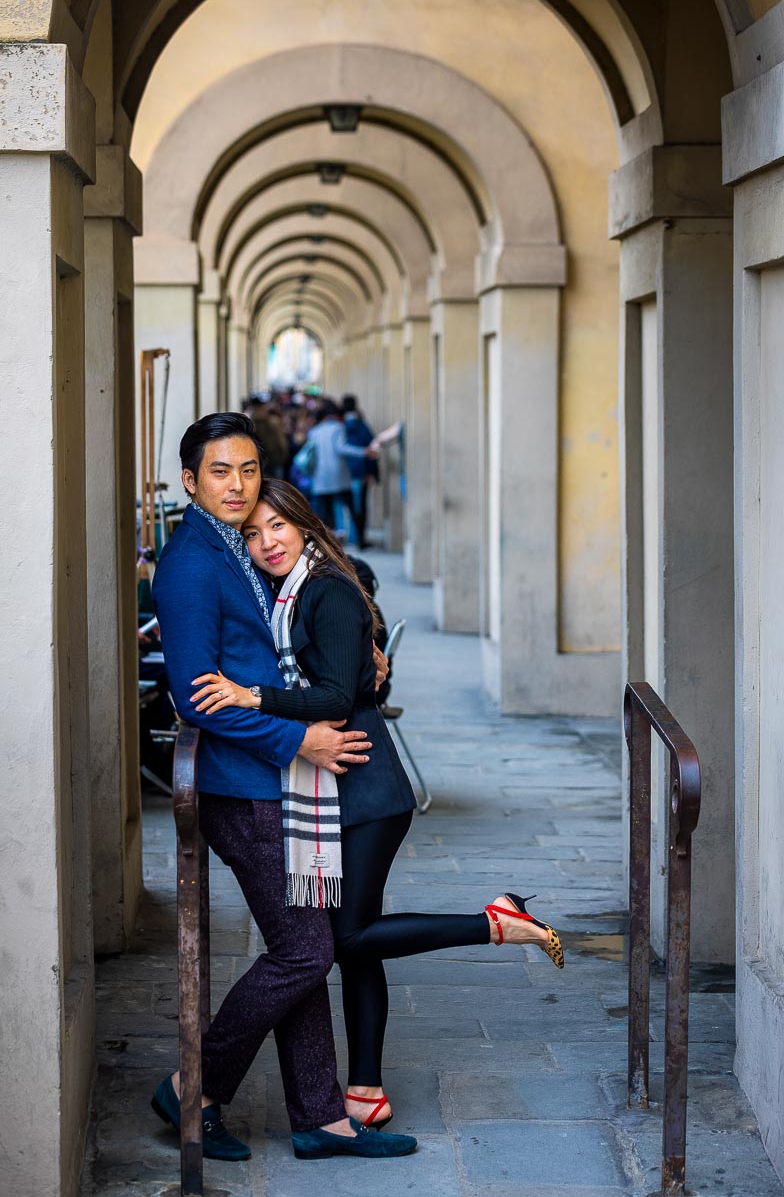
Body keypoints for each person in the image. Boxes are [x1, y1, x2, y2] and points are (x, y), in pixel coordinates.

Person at [190, 479, 565, 1131]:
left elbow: (334, 699)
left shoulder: (324, 590)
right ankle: (365, 1088)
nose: (266, 541)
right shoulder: (293, 591)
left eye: (276, 526)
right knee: (356, 942)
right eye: (252, 533)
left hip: (364, 790)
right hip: (332, 787)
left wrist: (254, 696)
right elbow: (356, 585)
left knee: (345, 938)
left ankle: (495, 923)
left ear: (303, 524)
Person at [151, 412, 418, 1162]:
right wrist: (299, 736)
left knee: (298, 947)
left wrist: (356, 650)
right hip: (245, 785)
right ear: (191, 482)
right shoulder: (191, 564)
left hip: (276, 781)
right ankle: (192, 1085)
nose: (236, 486)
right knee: (306, 951)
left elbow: (284, 623)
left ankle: (320, 1118)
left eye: (247, 471)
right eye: (219, 473)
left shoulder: (230, 543)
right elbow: (197, 695)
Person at [306, 399, 366, 545]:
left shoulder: (314, 431)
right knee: (352, 507)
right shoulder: (338, 428)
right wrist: (363, 452)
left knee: (322, 512)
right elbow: (341, 448)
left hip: (321, 476)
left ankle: (324, 543)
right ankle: (360, 540)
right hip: (339, 475)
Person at [341, 394, 376, 549]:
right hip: (361, 473)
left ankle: (350, 537)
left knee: (346, 507)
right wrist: (371, 471)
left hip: (344, 473)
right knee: (360, 506)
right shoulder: (362, 426)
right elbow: (371, 448)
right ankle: (360, 538)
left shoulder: (340, 426)